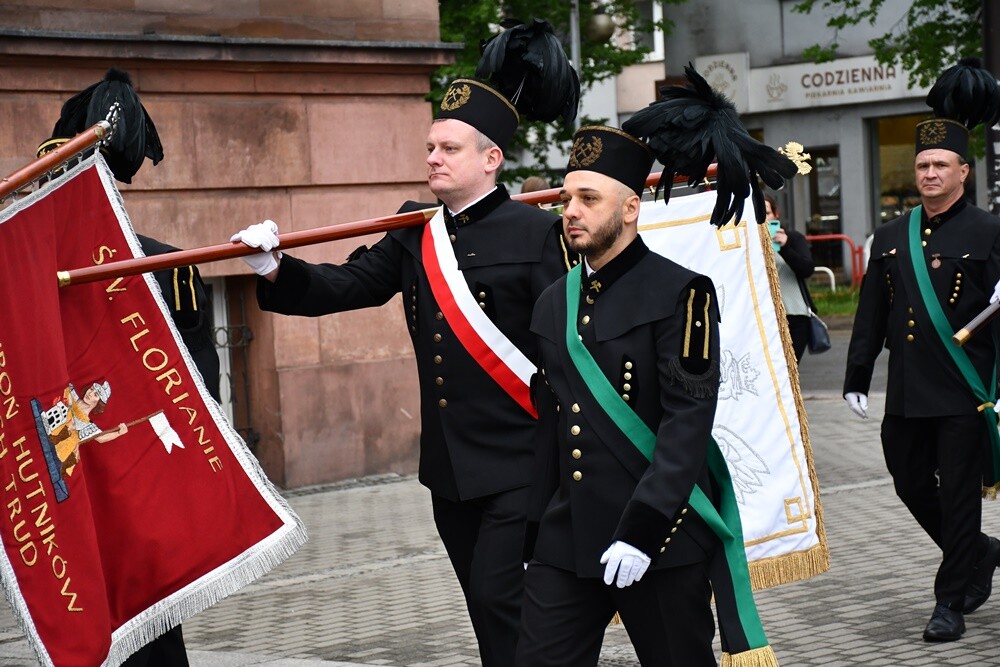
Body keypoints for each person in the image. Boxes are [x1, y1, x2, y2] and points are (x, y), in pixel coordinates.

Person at [231, 77, 576, 665]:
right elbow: (348, 284)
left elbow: (566, 353)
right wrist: (275, 267)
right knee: (486, 612)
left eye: (449, 149)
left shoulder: (540, 234)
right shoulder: (416, 232)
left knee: (502, 600)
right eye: (430, 148)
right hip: (449, 468)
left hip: (522, 461)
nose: (433, 158)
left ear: (491, 159)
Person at [843, 58, 1000, 643]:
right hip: (908, 390)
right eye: (923, 165)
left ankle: (949, 601)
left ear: (963, 171)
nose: (930, 173)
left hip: (963, 390)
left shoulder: (989, 232)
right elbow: (871, 314)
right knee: (909, 482)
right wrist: (857, 375)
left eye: (941, 165)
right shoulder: (891, 236)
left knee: (959, 495)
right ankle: (978, 552)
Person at [764, 194, 816, 362]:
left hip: (794, 315)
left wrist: (785, 247)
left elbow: (807, 269)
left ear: (776, 214)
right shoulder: (747, 243)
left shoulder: (793, 238)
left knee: (789, 369)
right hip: (764, 317)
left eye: (767, 213)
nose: (763, 219)